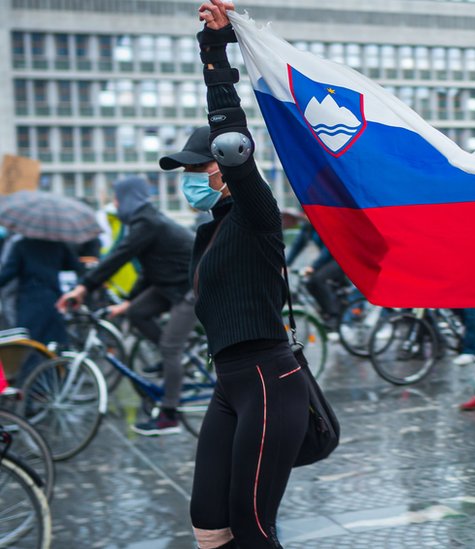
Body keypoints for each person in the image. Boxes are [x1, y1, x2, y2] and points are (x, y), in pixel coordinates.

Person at [168, 2, 308, 546]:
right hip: (229, 384)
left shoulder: (255, 212)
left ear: (226, 171)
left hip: (270, 381)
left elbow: (230, 135)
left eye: (198, 168)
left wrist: (214, 52)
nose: (190, 178)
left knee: (252, 529)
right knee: (208, 522)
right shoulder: (210, 232)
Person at [58, 177, 197, 436]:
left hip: (190, 288)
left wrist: (83, 286)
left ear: (129, 198)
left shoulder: (148, 222)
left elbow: (119, 257)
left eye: (117, 198)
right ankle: (173, 359)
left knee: (170, 348)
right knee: (137, 313)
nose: (115, 203)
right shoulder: (145, 220)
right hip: (169, 284)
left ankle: (169, 415)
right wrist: (127, 303)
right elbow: (150, 270)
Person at [0, 237, 81, 347]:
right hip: (54, 300)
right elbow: (74, 266)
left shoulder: (22, 244)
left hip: (30, 302)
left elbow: (7, 274)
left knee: (28, 348)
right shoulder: (58, 244)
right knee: (56, 348)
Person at [286, 219, 345, 330]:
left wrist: (313, 267)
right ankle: (325, 313)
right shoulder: (308, 227)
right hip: (326, 260)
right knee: (309, 283)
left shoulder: (324, 222)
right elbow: (297, 245)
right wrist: (287, 264)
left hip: (339, 258)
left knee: (318, 279)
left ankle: (333, 315)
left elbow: (328, 248)